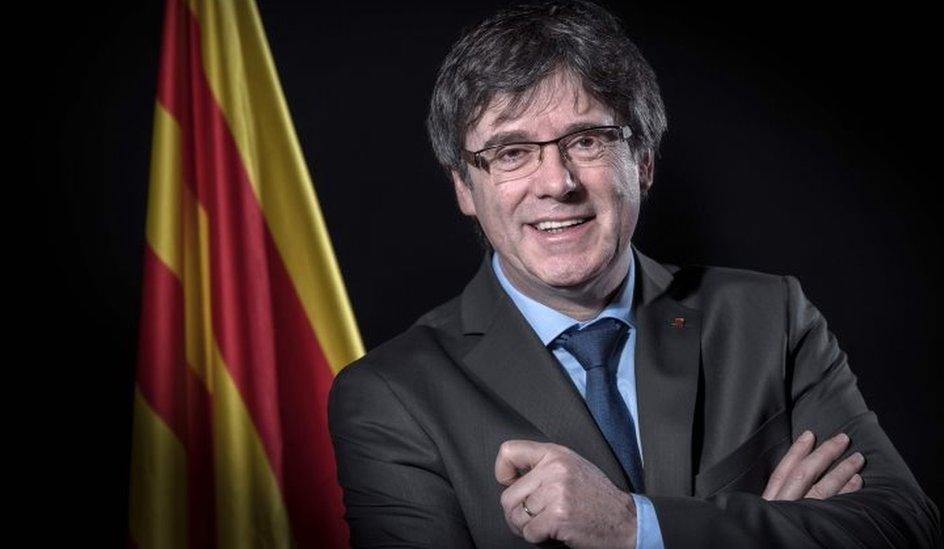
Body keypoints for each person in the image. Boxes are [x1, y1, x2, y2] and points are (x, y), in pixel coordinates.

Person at [327, 1, 941, 547]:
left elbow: (903, 526)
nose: (557, 183)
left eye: (588, 140)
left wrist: (636, 527)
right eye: (512, 152)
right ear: (465, 186)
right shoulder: (392, 397)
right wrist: (759, 527)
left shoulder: (771, 318)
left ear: (642, 161)